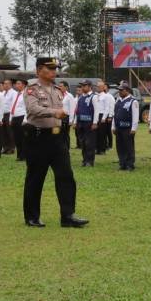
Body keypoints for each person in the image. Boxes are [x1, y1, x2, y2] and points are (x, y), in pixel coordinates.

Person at [22, 57, 88, 228]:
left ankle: (68, 216)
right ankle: (32, 216)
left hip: (57, 138)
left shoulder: (57, 89)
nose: (54, 71)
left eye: (55, 68)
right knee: (36, 178)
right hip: (38, 138)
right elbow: (32, 109)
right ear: (39, 70)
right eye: (49, 68)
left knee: (66, 176)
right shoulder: (32, 89)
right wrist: (54, 112)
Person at [112, 82, 140, 171]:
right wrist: (113, 126)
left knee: (128, 146)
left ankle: (130, 164)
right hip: (118, 127)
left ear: (127, 90)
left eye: (121, 90)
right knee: (120, 146)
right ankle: (122, 163)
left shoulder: (133, 101)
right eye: (119, 90)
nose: (119, 92)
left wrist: (133, 128)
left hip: (127, 128)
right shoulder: (118, 100)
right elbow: (115, 114)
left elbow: (135, 116)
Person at [75, 80, 101, 167]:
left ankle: (90, 161)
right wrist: (75, 122)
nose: (82, 87)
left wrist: (95, 122)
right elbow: (77, 111)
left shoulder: (94, 97)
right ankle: (85, 160)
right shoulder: (80, 97)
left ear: (89, 86)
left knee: (89, 143)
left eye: (84, 85)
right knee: (83, 143)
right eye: (82, 85)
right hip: (81, 123)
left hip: (89, 123)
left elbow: (97, 110)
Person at [10, 80, 28, 161]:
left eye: (18, 83)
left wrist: (25, 119)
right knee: (16, 137)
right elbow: (12, 106)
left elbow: (27, 108)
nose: (16, 85)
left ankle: (24, 155)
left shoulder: (26, 94)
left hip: (22, 117)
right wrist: (11, 118)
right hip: (15, 117)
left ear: (23, 85)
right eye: (16, 84)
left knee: (23, 138)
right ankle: (19, 155)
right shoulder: (15, 94)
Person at [1, 79, 16, 154]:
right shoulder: (3, 92)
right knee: (3, 131)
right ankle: (5, 147)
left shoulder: (13, 93)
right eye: (4, 84)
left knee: (10, 131)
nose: (5, 85)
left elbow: (13, 105)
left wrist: (11, 116)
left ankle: (11, 148)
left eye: (7, 84)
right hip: (3, 114)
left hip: (9, 114)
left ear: (11, 85)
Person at [60, 81, 75, 149]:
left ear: (66, 87)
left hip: (66, 117)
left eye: (61, 86)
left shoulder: (69, 96)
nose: (59, 87)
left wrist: (71, 120)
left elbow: (72, 109)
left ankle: (66, 147)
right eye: (59, 86)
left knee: (65, 134)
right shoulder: (58, 95)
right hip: (58, 117)